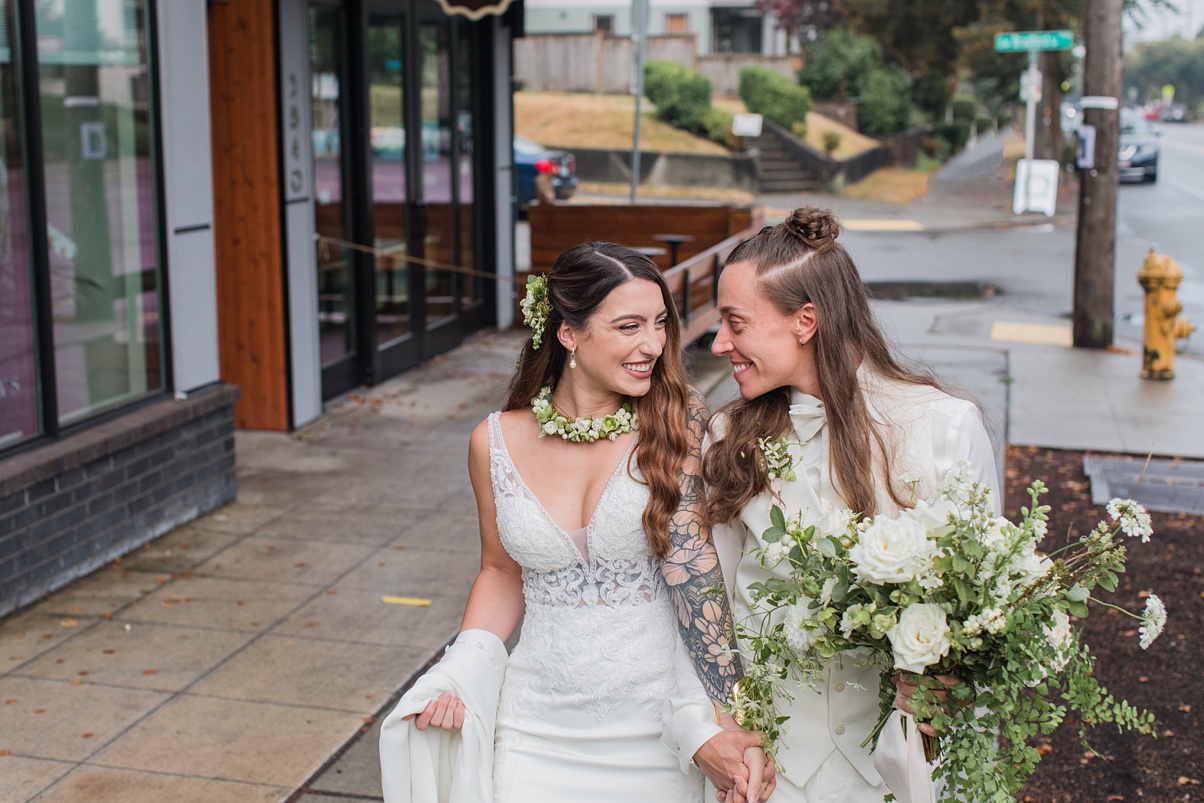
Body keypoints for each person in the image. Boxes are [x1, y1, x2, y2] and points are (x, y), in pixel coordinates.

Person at [379, 242, 773, 803]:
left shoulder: (678, 423)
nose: (653, 345)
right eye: (629, 326)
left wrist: (727, 717)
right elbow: (500, 572)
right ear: (569, 333)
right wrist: (460, 669)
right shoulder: (493, 442)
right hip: (534, 727)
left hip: (656, 729)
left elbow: (698, 577)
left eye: (660, 323)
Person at [700, 207, 1001, 803]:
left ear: (805, 321)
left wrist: (948, 682)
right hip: (768, 770)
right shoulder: (727, 437)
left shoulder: (944, 429)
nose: (718, 343)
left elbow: (985, 605)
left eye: (736, 323)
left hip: (895, 769)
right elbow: (713, 608)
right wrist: (718, 731)